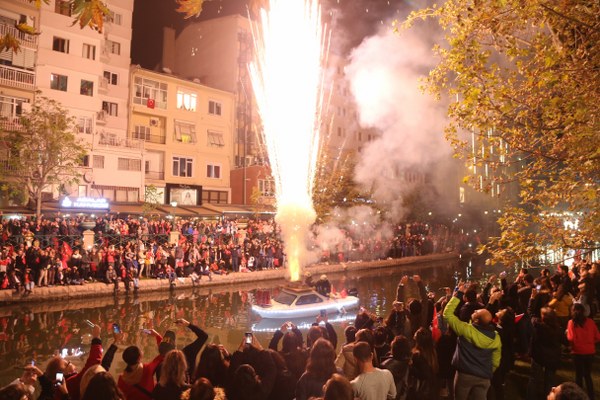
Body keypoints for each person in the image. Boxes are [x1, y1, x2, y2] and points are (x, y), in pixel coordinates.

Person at [443, 282, 501, 400]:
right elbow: (495, 360)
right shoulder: (495, 337)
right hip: (484, 376)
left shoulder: (465, 330)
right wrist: (488, 370)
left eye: (476, 313)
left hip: (465, 374)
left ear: (476, 321)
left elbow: (447, 314)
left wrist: (458, 293)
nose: (474, 311)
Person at [117, 329, 164, 400]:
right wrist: (157, 335)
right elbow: (163, 353)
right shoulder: (147, 369)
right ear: (139, 357)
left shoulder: (122, 379)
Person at [567, 303, 600, 399]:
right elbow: (598, 337)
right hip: (590, 352)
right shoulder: (590, 321)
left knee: (578, 376)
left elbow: (571, 338)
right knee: (587, 375)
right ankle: (591, 396)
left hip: (577, 352)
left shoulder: (571, 323)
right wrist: (590, 342)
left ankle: (579, 397)